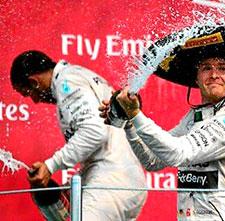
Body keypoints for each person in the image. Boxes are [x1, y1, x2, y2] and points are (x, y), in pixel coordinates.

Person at [101, 24, 225, 220]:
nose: (214, 74)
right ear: (196, 79)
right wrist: (129, 123)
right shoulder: (195, 116)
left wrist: (136, 115)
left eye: (223, 68)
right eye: (206, 68)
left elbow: (178, 154)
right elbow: (152, 160)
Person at [10, 50, 147, 220]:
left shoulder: (67, 83)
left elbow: (94, 132)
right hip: (120, 181)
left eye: (29, 94)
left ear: (34, 82)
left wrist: (51, 165)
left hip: (110, 183)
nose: (36, 101)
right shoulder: (76, 75)